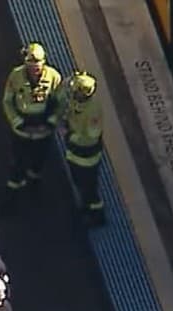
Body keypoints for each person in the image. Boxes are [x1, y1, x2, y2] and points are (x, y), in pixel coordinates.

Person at [1, 42, 63, 212]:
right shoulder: (16, 76)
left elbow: (61, 103)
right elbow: (7, 101)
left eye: (38, 65)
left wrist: (51, 121)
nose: (35, 70)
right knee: (17, 163)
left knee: (38, 163)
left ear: (44, 62)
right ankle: (11, 198)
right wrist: (16, 122)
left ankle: (34, 187)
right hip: (21, 129)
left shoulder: (54, 77)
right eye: (31, 66)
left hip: (43, 129)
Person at [59, 71, 105, 227]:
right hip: (74, 152)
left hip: (87, 156)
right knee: (79, 183)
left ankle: (97, 216)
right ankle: (86, 207)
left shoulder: (93, 111)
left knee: (89, 188)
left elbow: (91, 135)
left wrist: (69, 135)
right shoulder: (76, 101)